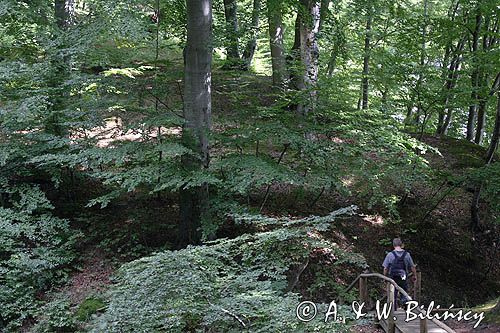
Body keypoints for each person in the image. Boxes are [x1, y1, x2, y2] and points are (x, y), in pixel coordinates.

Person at [382, 238, 417, 309]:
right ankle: (406, 309)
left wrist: (384, 277)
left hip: (393, 278)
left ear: (393, 245)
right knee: (404, 293)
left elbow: (385, 268)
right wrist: (414, 275)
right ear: (401, 245)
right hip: (403, 277)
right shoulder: (407, 254)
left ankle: (393, 310)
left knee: (393, 294)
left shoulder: (390, 255)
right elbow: (412, 267)